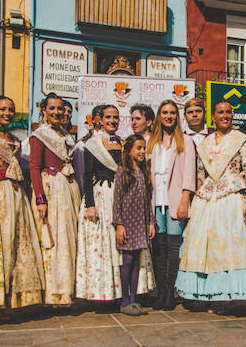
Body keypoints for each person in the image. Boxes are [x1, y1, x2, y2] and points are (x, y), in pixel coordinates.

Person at [176, 100, 246, 312]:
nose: (225, 116)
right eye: (220, 112)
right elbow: (200, 176)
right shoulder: (204, 143)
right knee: (204, 246)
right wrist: (195, 202)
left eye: (228, 112)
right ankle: (207, 294)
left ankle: (228, 295)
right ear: (213, 116)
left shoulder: (241, 139)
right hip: (206, 200)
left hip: (230, 197)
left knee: (229, 246)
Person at [0, 96, 45, 313]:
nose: (7, 113)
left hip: (16, 195)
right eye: (2, 109)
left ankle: (14, 299)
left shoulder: (15, 139)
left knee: (17, 242)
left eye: (11, 110)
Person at [75, 104, 154, 304]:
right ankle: (105, 292)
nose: (112, 121)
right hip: (101, 195)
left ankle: (126, 294)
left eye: (116, 117)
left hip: (122, 196)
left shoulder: (122, 143)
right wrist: (90, 205)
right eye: (108, 117)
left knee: (124, 247)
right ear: (99, 120)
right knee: (105, 245)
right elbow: (86, 175)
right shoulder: (92, 144)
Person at [29, 92, 81, 307]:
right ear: (44, 110)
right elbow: (34, 167)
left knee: (68, 240)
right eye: (52, 108)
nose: (57, 112)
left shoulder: (66, 136)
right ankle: (54, 293)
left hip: (69, 189)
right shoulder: (40, 135)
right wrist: (41, 199)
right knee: (54, 240)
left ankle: (68, 292)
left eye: (60, 109)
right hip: (52, 189)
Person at [147, 99, 197, 310]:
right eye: (165, 112)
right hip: (155, 200)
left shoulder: (185, 141)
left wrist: (185, 199)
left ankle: (170, 292)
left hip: (175, 199)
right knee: (159, 247)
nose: (168, 116)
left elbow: (189, 174)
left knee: (174, 247)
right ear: (159, 116)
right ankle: (160, 292)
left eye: (172, 113)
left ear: (177, 117)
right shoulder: (151, 142)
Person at [113, 134, 156, 316]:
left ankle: (133, 300)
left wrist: (151, 222)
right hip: (127, 221)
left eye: (143, 148)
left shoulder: (144, 170)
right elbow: (117, 199)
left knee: (137, 260)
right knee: (128, 259)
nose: (142, 151)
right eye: (138, 148)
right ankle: (124, 301)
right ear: (129, 150)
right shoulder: (123, 170)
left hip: (141, 221)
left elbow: (148, 199)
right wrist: (119, 224)